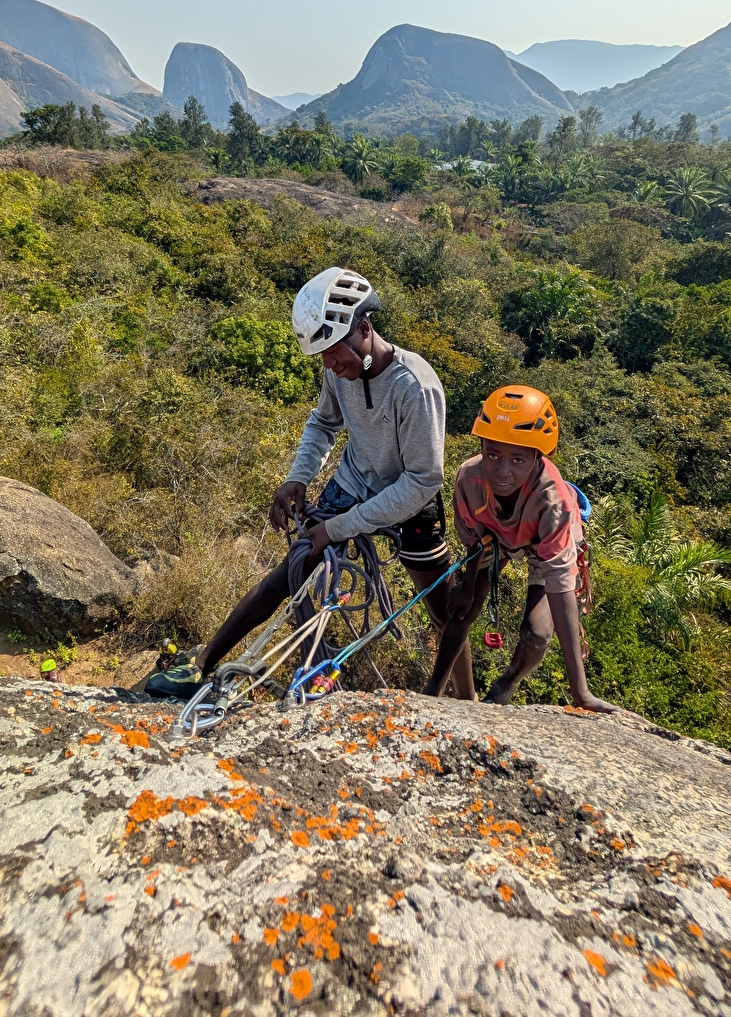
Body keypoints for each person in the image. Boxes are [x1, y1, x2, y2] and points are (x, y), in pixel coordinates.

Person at [147, 266, 475, 699]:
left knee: (444, 608)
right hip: (355, 482)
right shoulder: (338, 369)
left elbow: (422, 481)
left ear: (363, 329)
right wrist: (297, 477)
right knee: (289, 574)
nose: (332, 367)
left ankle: (467, 701)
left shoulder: (415, 387)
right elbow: (324, 422)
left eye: (336, 356)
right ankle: (202, 664)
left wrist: (337, 528)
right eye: (324, 359)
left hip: (409, 500)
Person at [423, 385, 616, 712]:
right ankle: (432, 692)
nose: (502, 471)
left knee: (537, 633)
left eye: (518, 459)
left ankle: (507, 684)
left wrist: (580, 693)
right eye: (492, 455)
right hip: (495, 537)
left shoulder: (553, 502)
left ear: (538, 458)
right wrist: (468, 587)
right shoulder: (470, 479)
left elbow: (559, 585)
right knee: (460, 611)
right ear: (481, 447)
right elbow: (476, 540)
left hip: (543, 542)